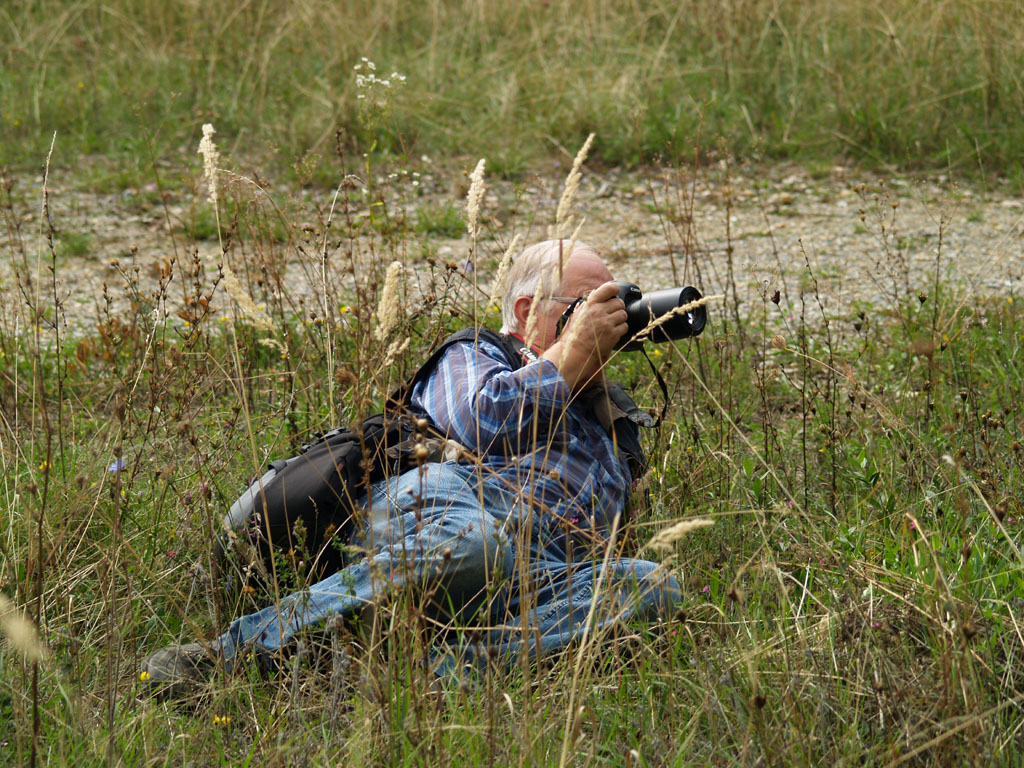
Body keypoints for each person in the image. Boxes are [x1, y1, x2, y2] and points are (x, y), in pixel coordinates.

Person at [142, 239, 681, 692]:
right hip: (441, 512)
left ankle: (394, 677)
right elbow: (478, 422)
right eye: (591, 303)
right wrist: (568, 358)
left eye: (616, 305)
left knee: (652, 586)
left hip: (540, 570)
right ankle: (230, 656)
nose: (609, 318)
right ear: (525, 311)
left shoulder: (612, 416)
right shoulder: (479, 353)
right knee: (475, 545)